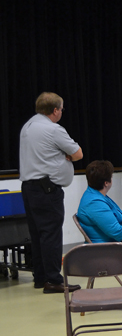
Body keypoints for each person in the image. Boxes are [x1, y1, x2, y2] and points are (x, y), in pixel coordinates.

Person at [19, 92, 83, 294]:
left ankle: (41, 278)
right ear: (55, 110)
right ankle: (54, 280)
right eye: (61, 109)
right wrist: (64, 155)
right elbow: (78, 154)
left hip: (29, 188)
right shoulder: (53, 129)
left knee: (37, 235)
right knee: (51, 235)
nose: (62, 113)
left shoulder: (27, 126)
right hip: (47, 190)